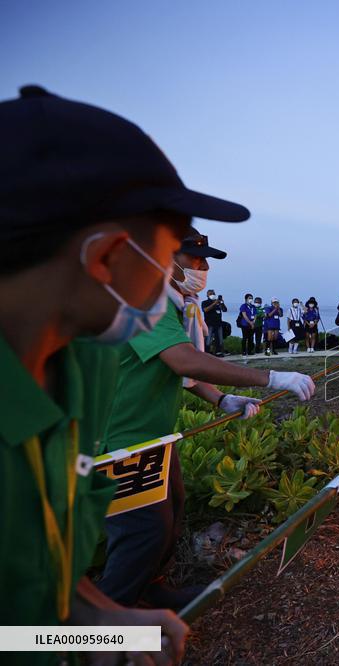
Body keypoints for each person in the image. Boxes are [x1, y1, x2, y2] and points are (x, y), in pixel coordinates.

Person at [0, 84, 253, 664]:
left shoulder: (81, 367)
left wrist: (98, 618)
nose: (175, 280)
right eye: (164, 257)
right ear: (106, 257)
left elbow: (42, 571)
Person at [97, 260, 316, 611]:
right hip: (122, 443)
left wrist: (221, 398)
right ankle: (97, 636)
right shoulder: (143, 300)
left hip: (153, 438)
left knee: (172, 512)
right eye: (194, 261)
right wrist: (270, 377)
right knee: (142, 533)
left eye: (205, 262)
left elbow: (174, 369)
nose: (202, 269)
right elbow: (184, 361)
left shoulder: (175, 305)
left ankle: (150, 592)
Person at [201, 288, 227, 356]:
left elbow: (224, 310)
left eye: (213, 293)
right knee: (208, 339)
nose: (212, 295)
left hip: (218, 323)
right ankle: (206, 352)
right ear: (207, 295)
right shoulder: (205, 302)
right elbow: (205, 310)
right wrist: (214, 304)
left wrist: (222, 303)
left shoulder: (218, 303)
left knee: (219, 339)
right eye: (210, 294)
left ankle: (218, 352)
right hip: (209, 324)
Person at [237, 293, 256, 358]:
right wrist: (250, 323)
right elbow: (244, 315)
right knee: (245, 338)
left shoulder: (253, 306)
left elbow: (255, 315)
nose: (251, 299)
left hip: (252, 324)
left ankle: (250, 351)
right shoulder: (243, 306)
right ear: (246, 299)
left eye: (251, 298)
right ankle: (244, 351)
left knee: (251, 338)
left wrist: (253, 322)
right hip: (245, 324)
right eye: (249, 298)